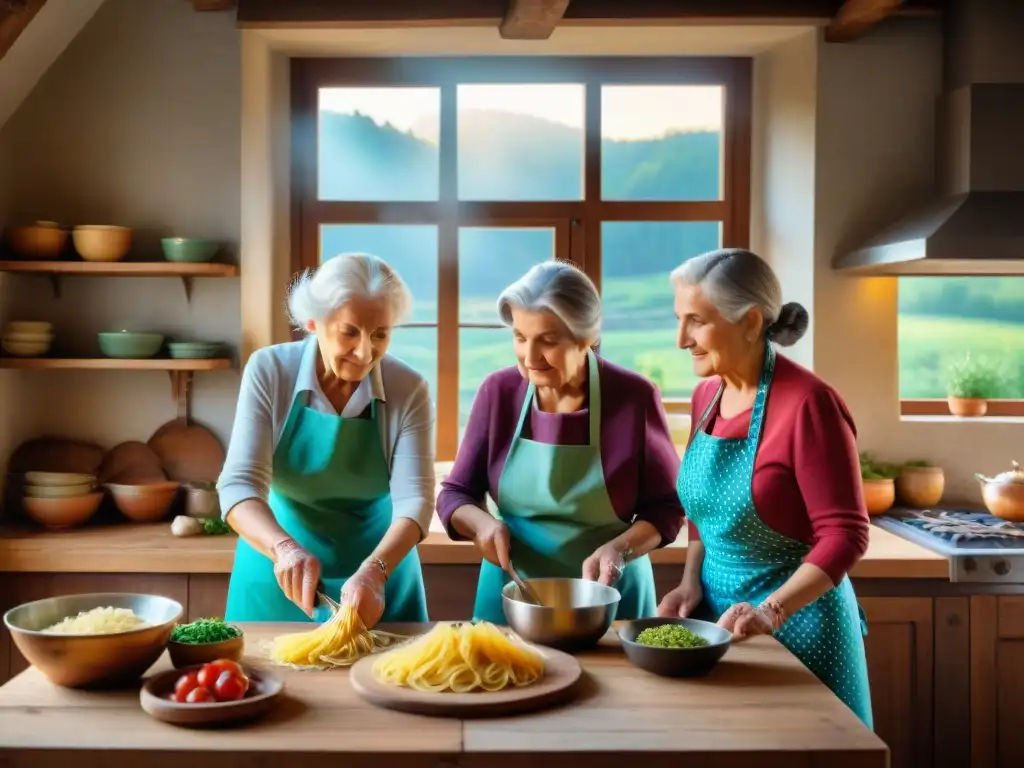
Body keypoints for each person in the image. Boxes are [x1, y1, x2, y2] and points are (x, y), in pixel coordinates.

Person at [659, 248, 872, 727]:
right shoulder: (706, 395)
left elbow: (846, 534)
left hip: (801, 624)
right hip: (718, 624)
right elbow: (702, 509)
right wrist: (691, 582)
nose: (680, 339)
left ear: (751, 321)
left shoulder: (809, 403)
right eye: (679, 319)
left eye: (696, 321)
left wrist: (771, 611)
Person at [437, 261, 685, 624]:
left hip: (611, 598)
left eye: (548, 341)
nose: (530, 357)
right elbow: (455, 493)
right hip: (512, 594)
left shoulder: (633, 397)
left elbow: (667, 508)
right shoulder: (498, 392)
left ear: (587, 338)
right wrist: (483, 525)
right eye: (520, 337)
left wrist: (620, 548)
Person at [217, 253, 435, 628]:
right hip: (277, 572)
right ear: (314, 323)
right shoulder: (270, 371)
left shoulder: (408, 387)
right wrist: (283, 549)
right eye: (350, 331)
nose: (365, 352)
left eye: (380, 334)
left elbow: (415, 499)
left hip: (380, 574)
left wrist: (375, 570)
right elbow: (238, 485)